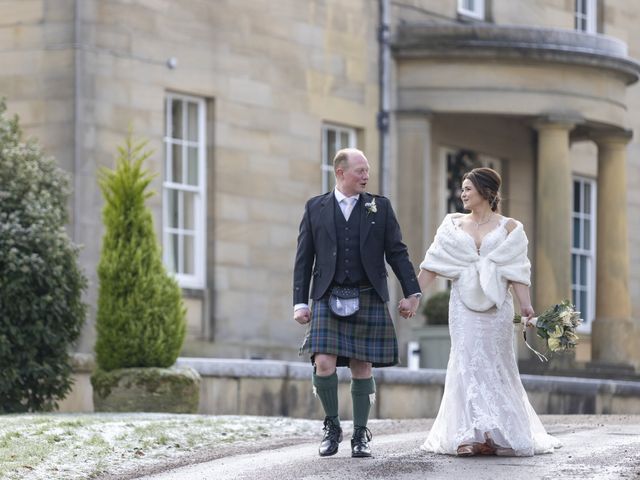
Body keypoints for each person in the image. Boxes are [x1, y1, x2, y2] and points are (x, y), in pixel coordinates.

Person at [414, 167, 561, 457]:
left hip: (497, 309)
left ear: (485, 191)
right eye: (462, 188)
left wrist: (526, 306)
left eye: (467, 188)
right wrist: (414, 296)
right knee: (466, 362)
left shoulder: (510, 228)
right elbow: (433, 263)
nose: (462, 194)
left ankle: (497, 434)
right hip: (463, 308)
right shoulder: (453, 225)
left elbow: (517, 269)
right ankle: (469, 434)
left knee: (497, 364)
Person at [293, 147, 421, 458]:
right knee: (323, 363)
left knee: (361, 365)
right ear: (340, 173)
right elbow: (303, 258)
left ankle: (361, 434)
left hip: (367, 294)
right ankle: (332, 426)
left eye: (367, 171)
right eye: (360, 170)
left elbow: (397, 253)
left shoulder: (380, 207)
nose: (366, 176)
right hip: (327, 293)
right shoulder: (315, 208)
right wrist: (299, 301)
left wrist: (412, 292)